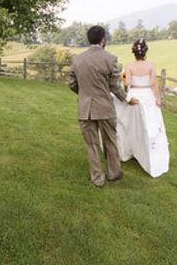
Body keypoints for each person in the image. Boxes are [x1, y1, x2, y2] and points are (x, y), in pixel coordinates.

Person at [68, 25, 139, 188]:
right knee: (110, 141)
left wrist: (84, 94)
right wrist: (127, 99)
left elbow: (72, 83)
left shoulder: (77, 59)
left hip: (85, 108)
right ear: (103, 40)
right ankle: (114, 174)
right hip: (105, 108)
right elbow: (114, 86)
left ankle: (97, 178)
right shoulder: (111, 59)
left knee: (92, 145)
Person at [113, 39, 169, 178]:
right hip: (148, 96)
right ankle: (150, 151)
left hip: (134, 96)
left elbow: (127, 83)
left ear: (134, 52)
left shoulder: (130, 65)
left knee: (134, 124)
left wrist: (123, 77)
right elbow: (154, 84)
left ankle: (133, 149)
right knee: (150, 122)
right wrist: (158, 99)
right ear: (145, 52)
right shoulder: (151, 66)